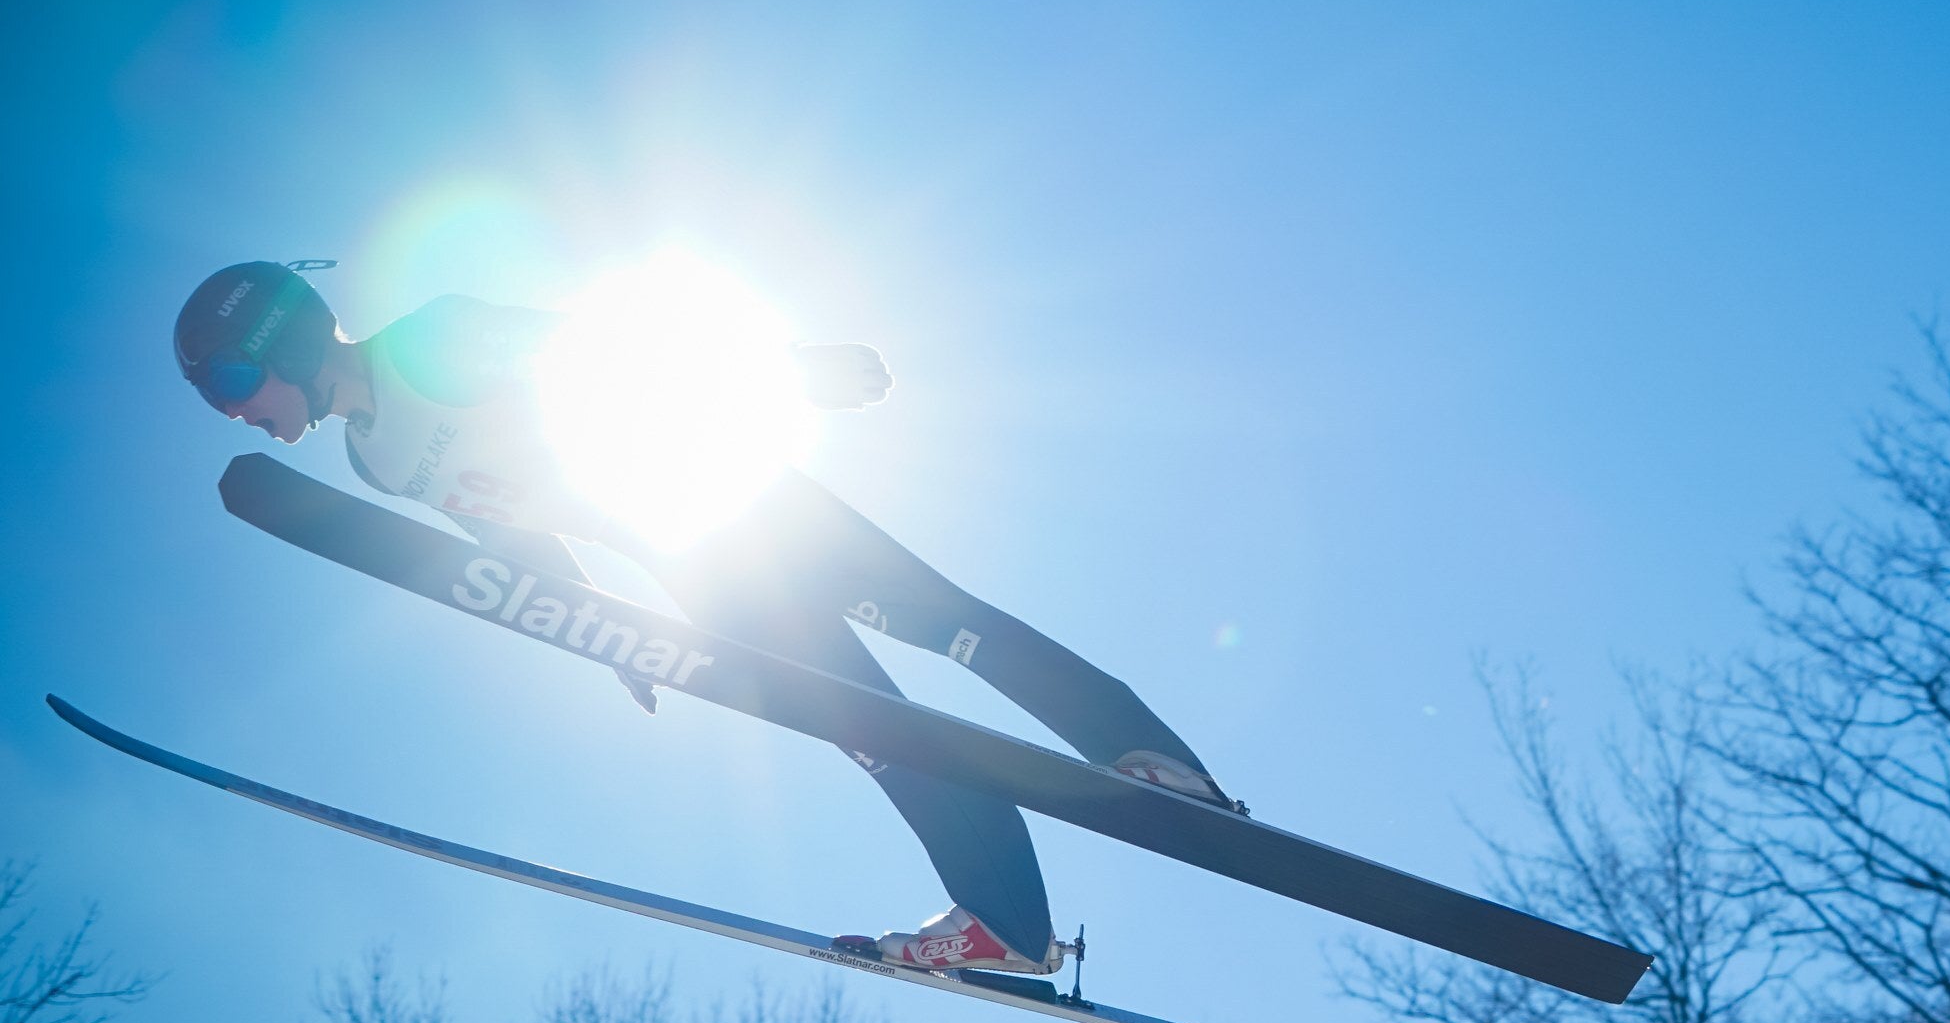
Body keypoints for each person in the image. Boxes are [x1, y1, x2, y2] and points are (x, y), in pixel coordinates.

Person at [173, 260, 1239, 974]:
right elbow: (508, 529)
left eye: (232, 379)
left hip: (719, 492)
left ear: (283, 337)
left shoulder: (431, 344)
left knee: (939, 622)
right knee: (876, 730)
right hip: (690, 564)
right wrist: (587, 626)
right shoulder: (374, 456)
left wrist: (782, 373)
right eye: (217, 403)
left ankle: (1145, 754)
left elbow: (603, 355)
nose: (236, 411)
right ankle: (1007, 924)